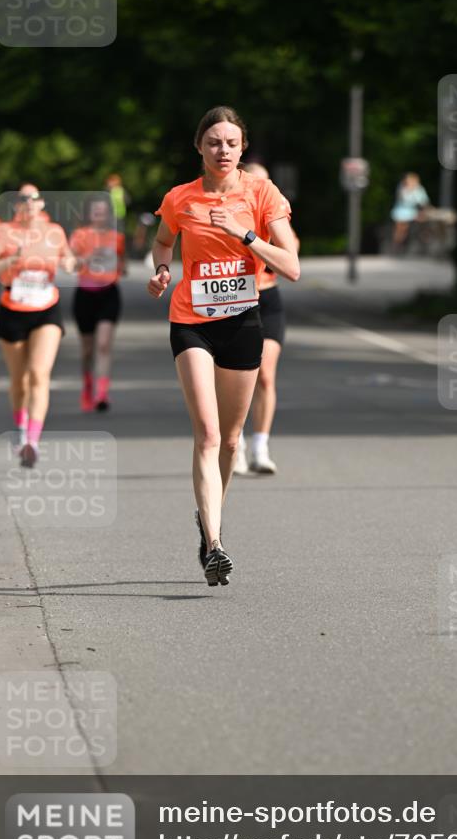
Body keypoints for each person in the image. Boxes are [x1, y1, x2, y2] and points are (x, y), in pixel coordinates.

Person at [147, 106, 300, 586]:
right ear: (200, 147)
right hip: (191, 321)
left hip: (242, 321)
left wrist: (246, 235)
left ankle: (208, 517)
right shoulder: (180, 199)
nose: (223, 150)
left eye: (231, 143)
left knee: (232, 441)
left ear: (243, 148)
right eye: (214, 142)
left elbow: (292, 267)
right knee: (208, 435)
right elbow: (161, 242)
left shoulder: (261, 194)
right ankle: (214, 544)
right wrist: (161, 270)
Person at [0, 184, 76, 468]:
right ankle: (21, 432)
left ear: (42, 203)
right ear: (17, 205)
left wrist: (71, 263)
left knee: (38, 373)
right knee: (19, 379)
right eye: (22, 199)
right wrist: (11, 258)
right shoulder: (6, 231)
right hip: (13, 309)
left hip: (46, 308)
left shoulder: (54, 232)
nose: (29, 203)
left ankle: (32, 441)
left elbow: (67, 256)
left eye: (34, 198)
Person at [234, 162, 297, 476]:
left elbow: (292, 255)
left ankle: (261, 445)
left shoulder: (275, 212)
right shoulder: (233, 213)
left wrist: (276, 219)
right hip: (236, 300)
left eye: (266, 181)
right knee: (237, 379)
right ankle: (237, 443)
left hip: (268, 299)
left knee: (265, 375)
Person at [69, 196, 126, 412]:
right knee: (87, 350)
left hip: (109, 295)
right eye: (96, 212)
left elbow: (123, 262)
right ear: (89, 214)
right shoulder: (80, 236)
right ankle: (87, 386)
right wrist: (88, 259)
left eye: (103, 212)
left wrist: (116, 267)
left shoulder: (117, 238)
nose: (100, 216)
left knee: (103, 345)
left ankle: (102, 394)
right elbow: (71, 263)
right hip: (85, 295)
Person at [390, 172, 429, 251]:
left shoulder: (420, 189)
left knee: (425, 222)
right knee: (401, 226)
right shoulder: (402, 188)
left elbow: (424, 202)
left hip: (415, 211)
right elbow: (404, 200)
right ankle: (397, 244)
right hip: (402, 211)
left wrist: (423, 211)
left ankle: (423, 241)